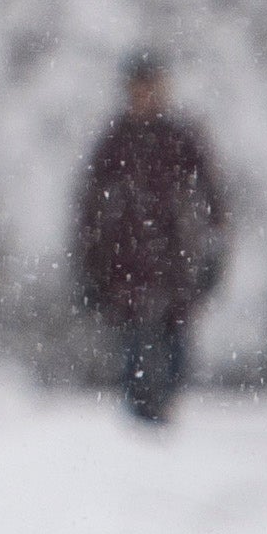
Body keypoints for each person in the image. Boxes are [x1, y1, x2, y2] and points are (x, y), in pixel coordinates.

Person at [73, 51, 231, 428]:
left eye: (152, 86)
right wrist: (89, 267)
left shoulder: (180, 139)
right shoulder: (114, 142)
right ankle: (139, 420)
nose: (146, 95)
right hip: (124, 267)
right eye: (139, 87)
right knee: (132, 346)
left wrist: (212, 253)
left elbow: (211, 200)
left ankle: (164, 411)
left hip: (175, 264)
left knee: (175, 344)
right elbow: (90, 211)